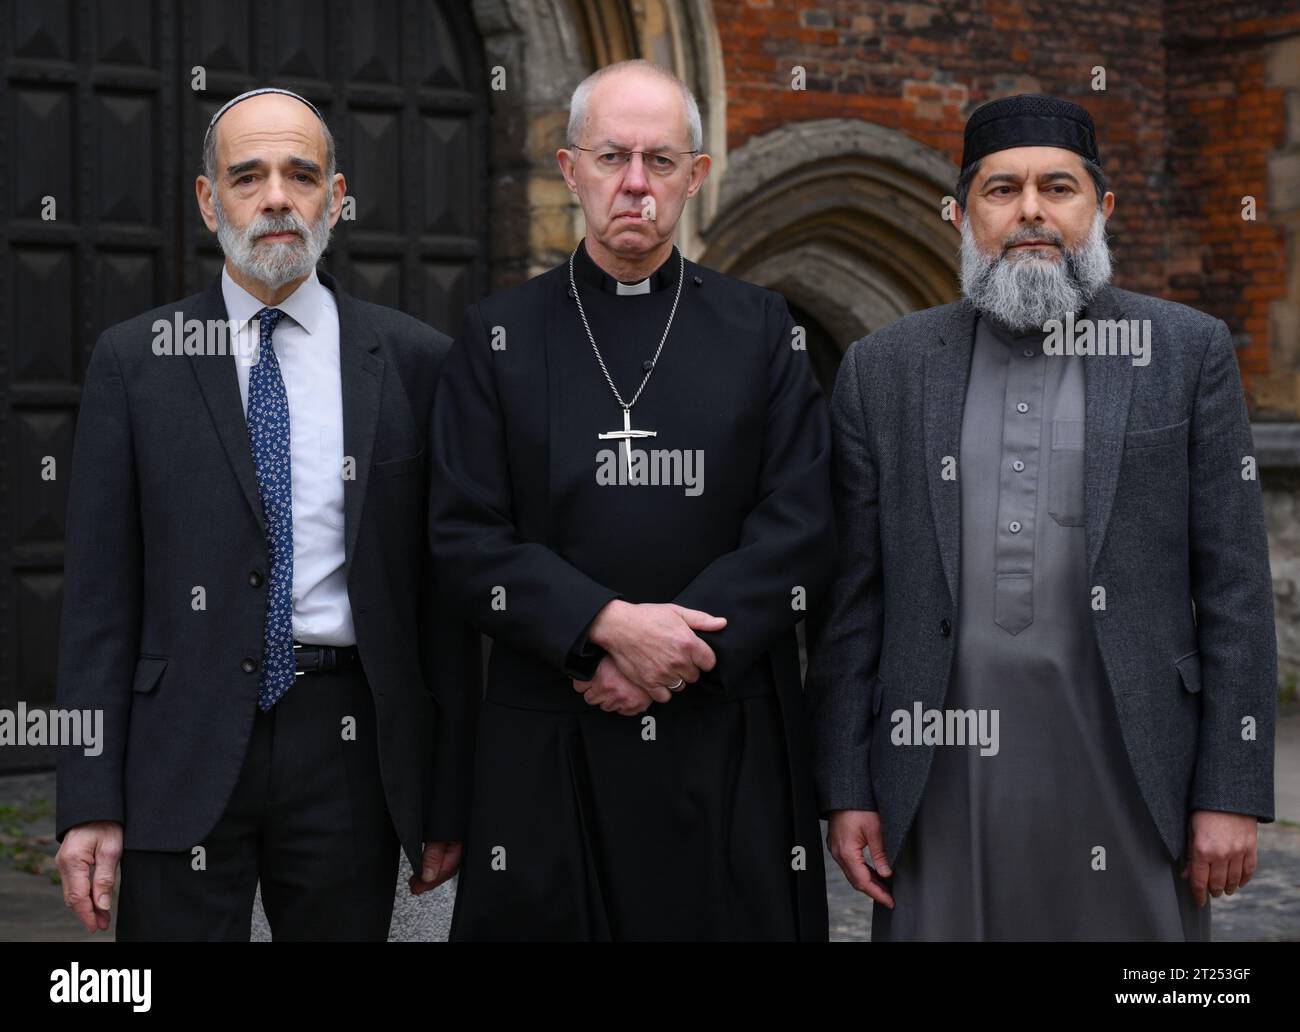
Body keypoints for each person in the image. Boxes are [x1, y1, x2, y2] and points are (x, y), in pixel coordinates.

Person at [809, 93, 1277, 941]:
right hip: (942, 769)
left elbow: (1236, 586)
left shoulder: (1184, 349)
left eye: (1058, 188)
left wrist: (1231, 791)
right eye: (1001, 190)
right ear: (960, 214)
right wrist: (846, 788)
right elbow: (853, 601)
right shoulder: (884, 368)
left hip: (1131, 766)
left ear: (1101, 209)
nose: (1030, 211)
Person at [54, 87, 477, 940]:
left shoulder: (415, 362)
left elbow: (443, 600)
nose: (277, 197)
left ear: (337, 196)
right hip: (177, 742)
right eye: (248, 176)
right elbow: (99, 601)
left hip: (348, 745)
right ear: (210, 201)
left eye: (301, 174)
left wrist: (448, 789)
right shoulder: (135, 363)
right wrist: (88, 799)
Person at [430, 60, 834, 940]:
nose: (636, 184)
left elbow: (800, 523)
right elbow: (463, 536)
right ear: (570, 169)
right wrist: (605, 628)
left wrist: (675, 650)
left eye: (662, 160)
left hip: (726, 732)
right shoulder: (496, 337)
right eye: (613, 157)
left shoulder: (763, 329)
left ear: (697, 175)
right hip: (552, 729)